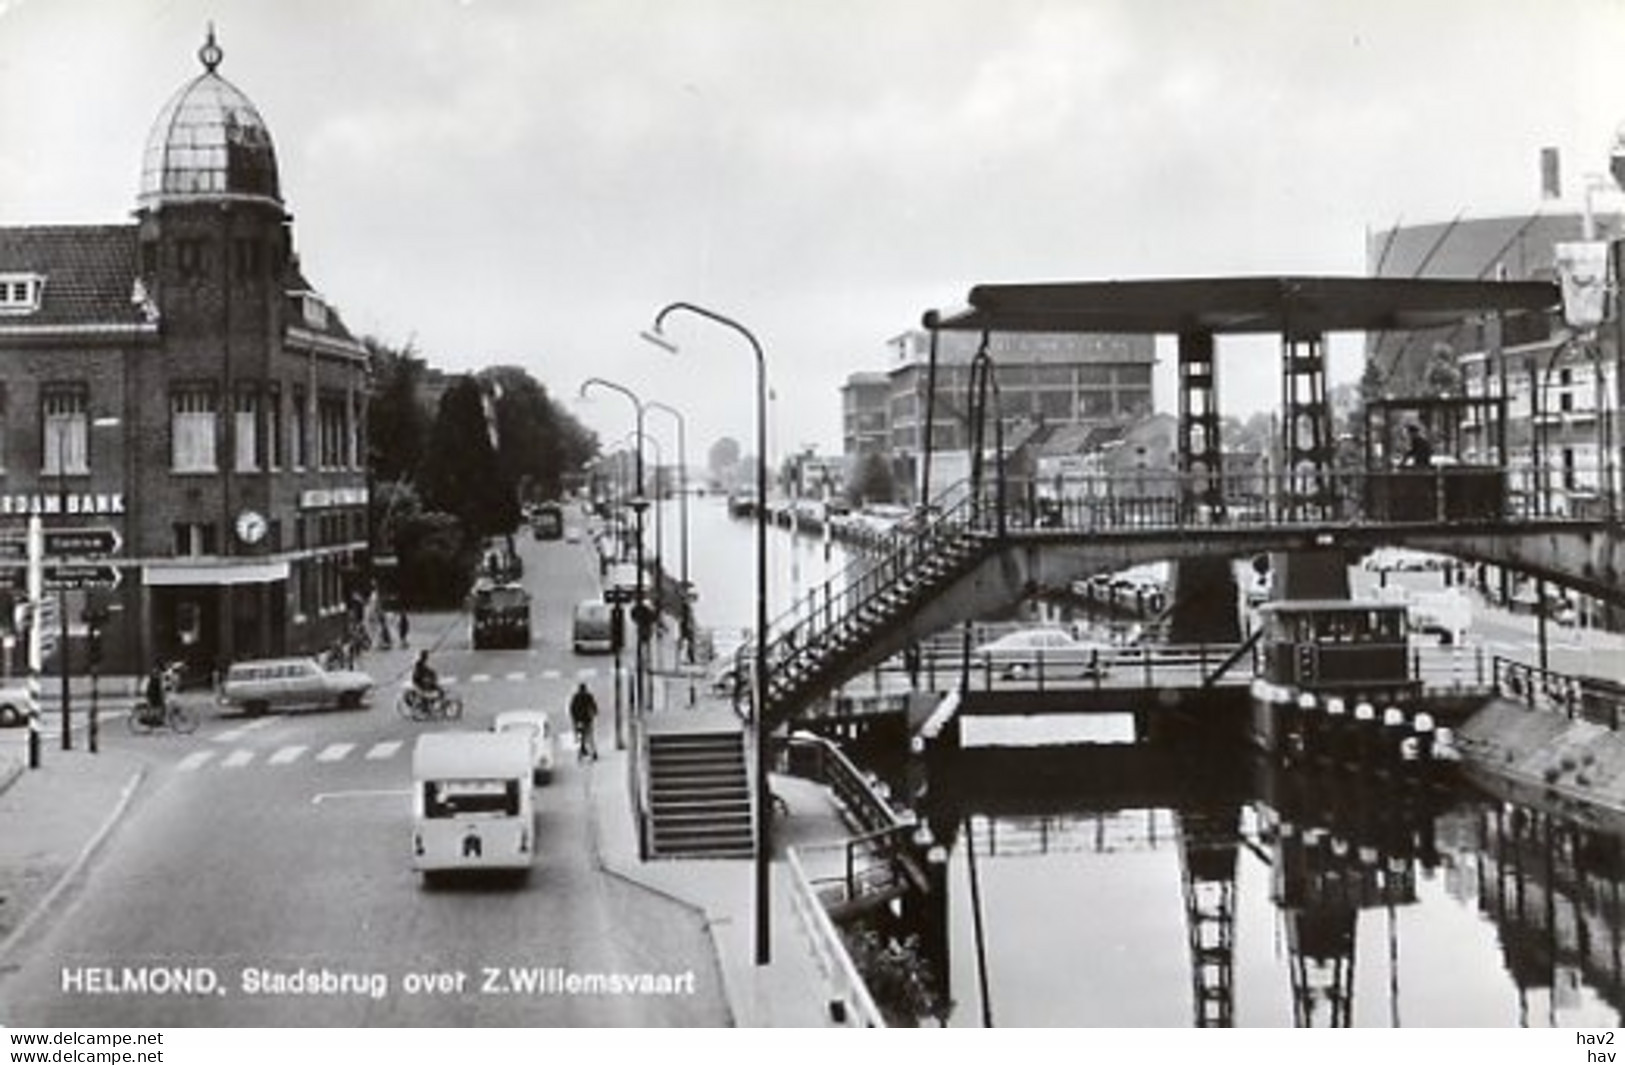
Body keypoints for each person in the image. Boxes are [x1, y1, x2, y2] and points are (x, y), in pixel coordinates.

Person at [569, 682, 599, 762]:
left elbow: (572, 708)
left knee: (580, 736)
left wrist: (574, 720)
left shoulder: (576, 697)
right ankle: (593, 753)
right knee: (589, 737)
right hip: (587, 719)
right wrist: (594, 714)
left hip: (578, 720)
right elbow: (594, 706)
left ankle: (582, 751)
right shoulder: (588, 696)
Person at [143, 661, 168, 726]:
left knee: (161, 706)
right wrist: (162, 692)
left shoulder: (156, 671)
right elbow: (157, 684)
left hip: (153, 692)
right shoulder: (156, 672)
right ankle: (155, 720)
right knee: (160, 706)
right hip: (153, 693)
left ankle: (158, 720)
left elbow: (159, 684)